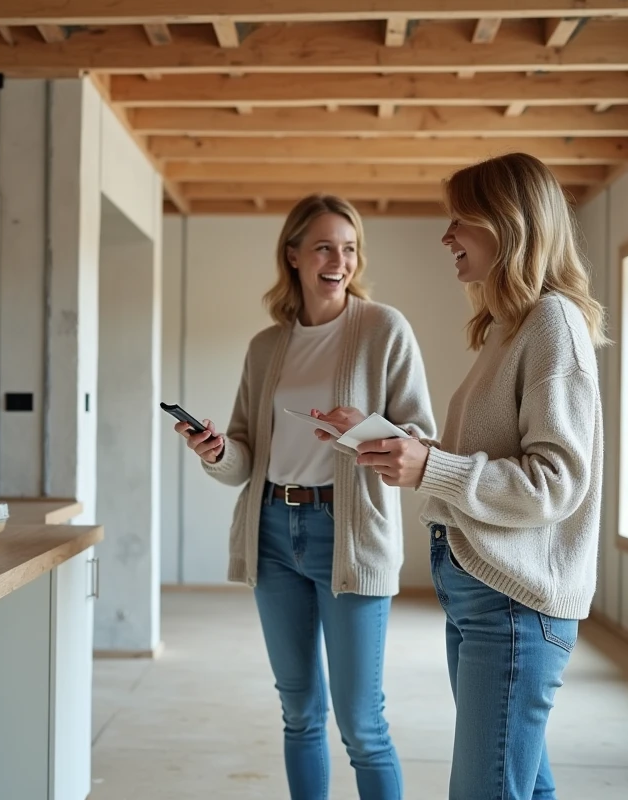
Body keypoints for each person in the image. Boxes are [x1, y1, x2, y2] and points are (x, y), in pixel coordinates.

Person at [317, 153, 607, 799]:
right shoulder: (511, 327)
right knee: (525, 786)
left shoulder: (553, 324)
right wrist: (402, 445)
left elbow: (556, 483)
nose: (447, 237)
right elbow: (489, 454)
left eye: (460, 221)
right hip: (484, 593)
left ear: (508, 224)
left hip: (514, 604)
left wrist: (432, 466)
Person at [174, 194, 436, 800]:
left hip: (347, 535)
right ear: (292, 255)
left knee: (362, 724)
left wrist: (361, 427)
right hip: (271, 531)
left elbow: (419, 440)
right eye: (323, 246)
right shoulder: (267, 346)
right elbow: (243, 453)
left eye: (348, 248)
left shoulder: (382, 328)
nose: (338, 261)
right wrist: (216, 452)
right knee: (299, 712)